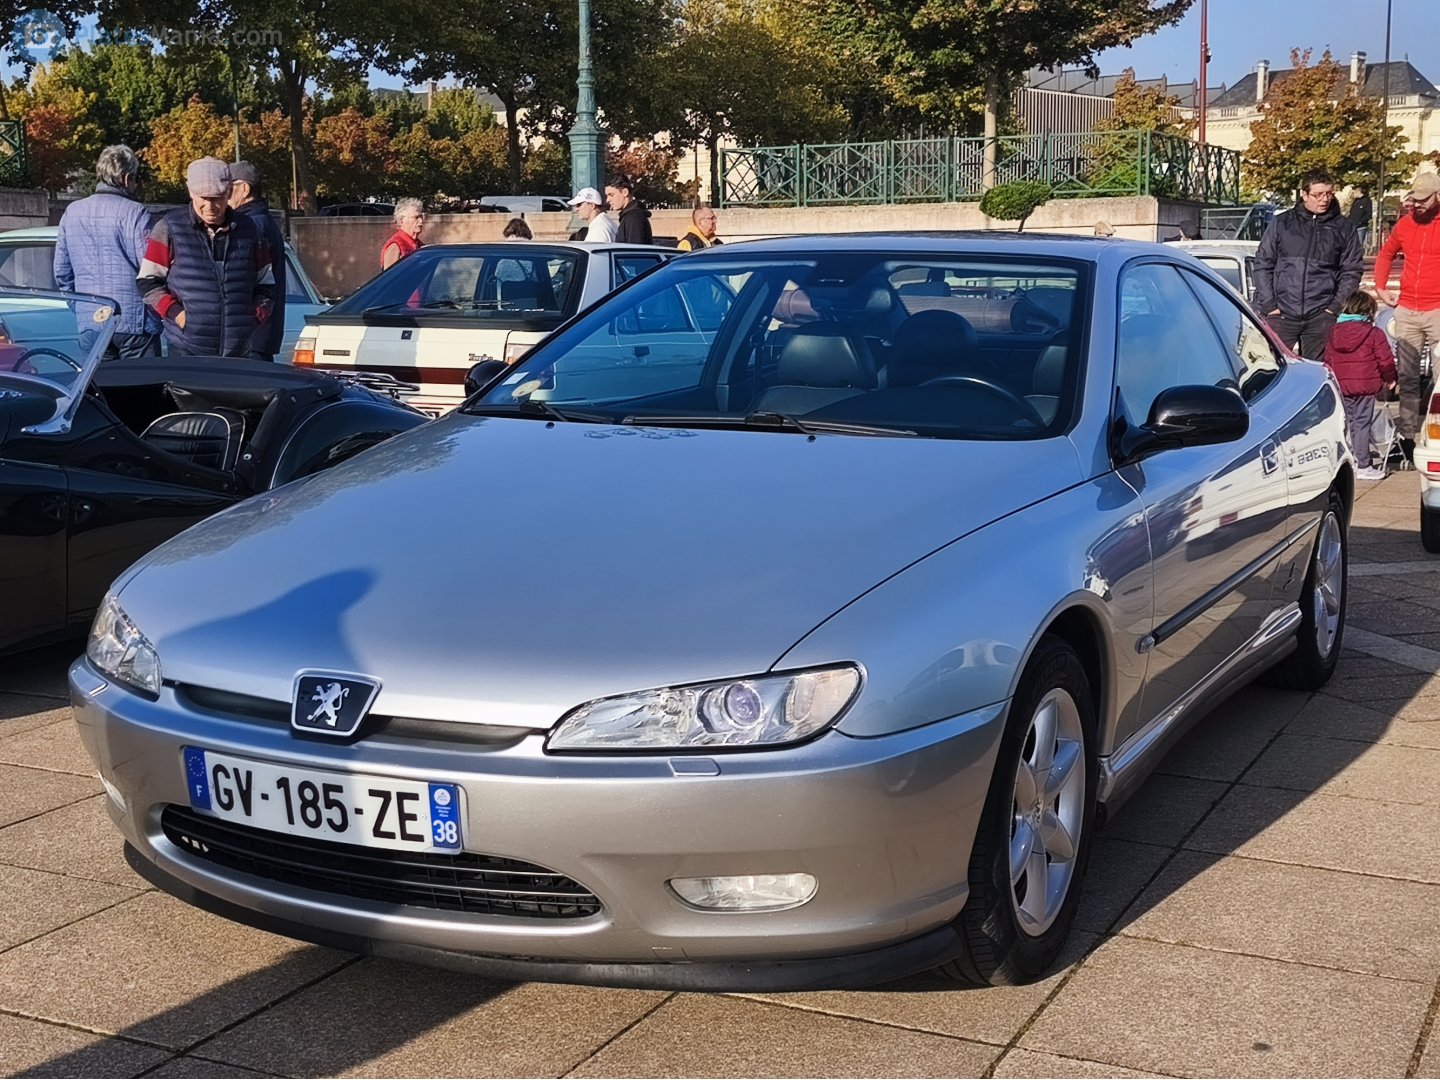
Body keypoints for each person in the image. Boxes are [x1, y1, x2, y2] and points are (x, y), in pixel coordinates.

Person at [137, 157, 275, 358]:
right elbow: (147, 282)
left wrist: (253, 318)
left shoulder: (250, 230)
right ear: (190, 192)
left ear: (228, 192)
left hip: (238, 350)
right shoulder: (168, 228)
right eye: (203, 198)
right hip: (186, 349)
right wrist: (178, 315)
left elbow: (267, 284)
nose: (210, 206)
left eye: (217, 198)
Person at [53, 145, 161, 359]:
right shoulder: (136, 212)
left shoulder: (72, 212)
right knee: (142, 389)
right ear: (127, 177)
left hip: (90, 319)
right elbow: (150, 267)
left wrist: (79, 306)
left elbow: (61, 271)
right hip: (134, 320)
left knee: (100, 388)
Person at [1252, 170, 1362, 363]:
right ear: (1304, 194)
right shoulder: (1282, 223)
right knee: (1272, 368)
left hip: (1321, 314)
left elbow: (1351, 270)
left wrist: (1333, 307)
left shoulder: (1343, 227)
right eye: (1318, 194)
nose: (1324, 199)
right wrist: (1270, 305)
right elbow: (1263, 263)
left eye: (1329, 193)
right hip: (1282, 313)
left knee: (1317, 371)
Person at [1375, 172, 1440, 460]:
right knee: (1407, 376)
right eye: (1415, 199)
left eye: (1424, 199)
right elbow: (1386, 253)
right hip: (1408, 310)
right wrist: (1380, 286)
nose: (1418, 205)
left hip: (1437, 309)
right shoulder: (1405, 223)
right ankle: (1408, 435)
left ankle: (1436, 435)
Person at [1324, 290, 1397, 480]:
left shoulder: (1333, 332)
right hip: (1365, 386)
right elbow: (1385, 359)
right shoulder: (1373, 333)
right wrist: (1390, 378)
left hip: (1341, 385)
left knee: (1348, 423)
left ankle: (1352, 459)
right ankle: (1363, 464)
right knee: (1362, 423)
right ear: (1368, 311)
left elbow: (1328, 359)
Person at [227, 161, 286, 362]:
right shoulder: (262, 220)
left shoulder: (251, 225)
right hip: (259, 333)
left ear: (244, 189)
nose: (223, 195)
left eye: (228, 188)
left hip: (251, 333)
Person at [605, 175, 652, 245]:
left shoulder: (634, 218)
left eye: (611, 195)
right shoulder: (629, 216)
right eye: (607, 196)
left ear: (625, 192)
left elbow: (634, 251)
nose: (607, 200)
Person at [381, 198, 425, 269]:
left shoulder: (420, 245)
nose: (421, 221)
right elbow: (390, 278)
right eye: (416, 217)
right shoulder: (396, 246)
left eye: (421, 217)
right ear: (401, 221)